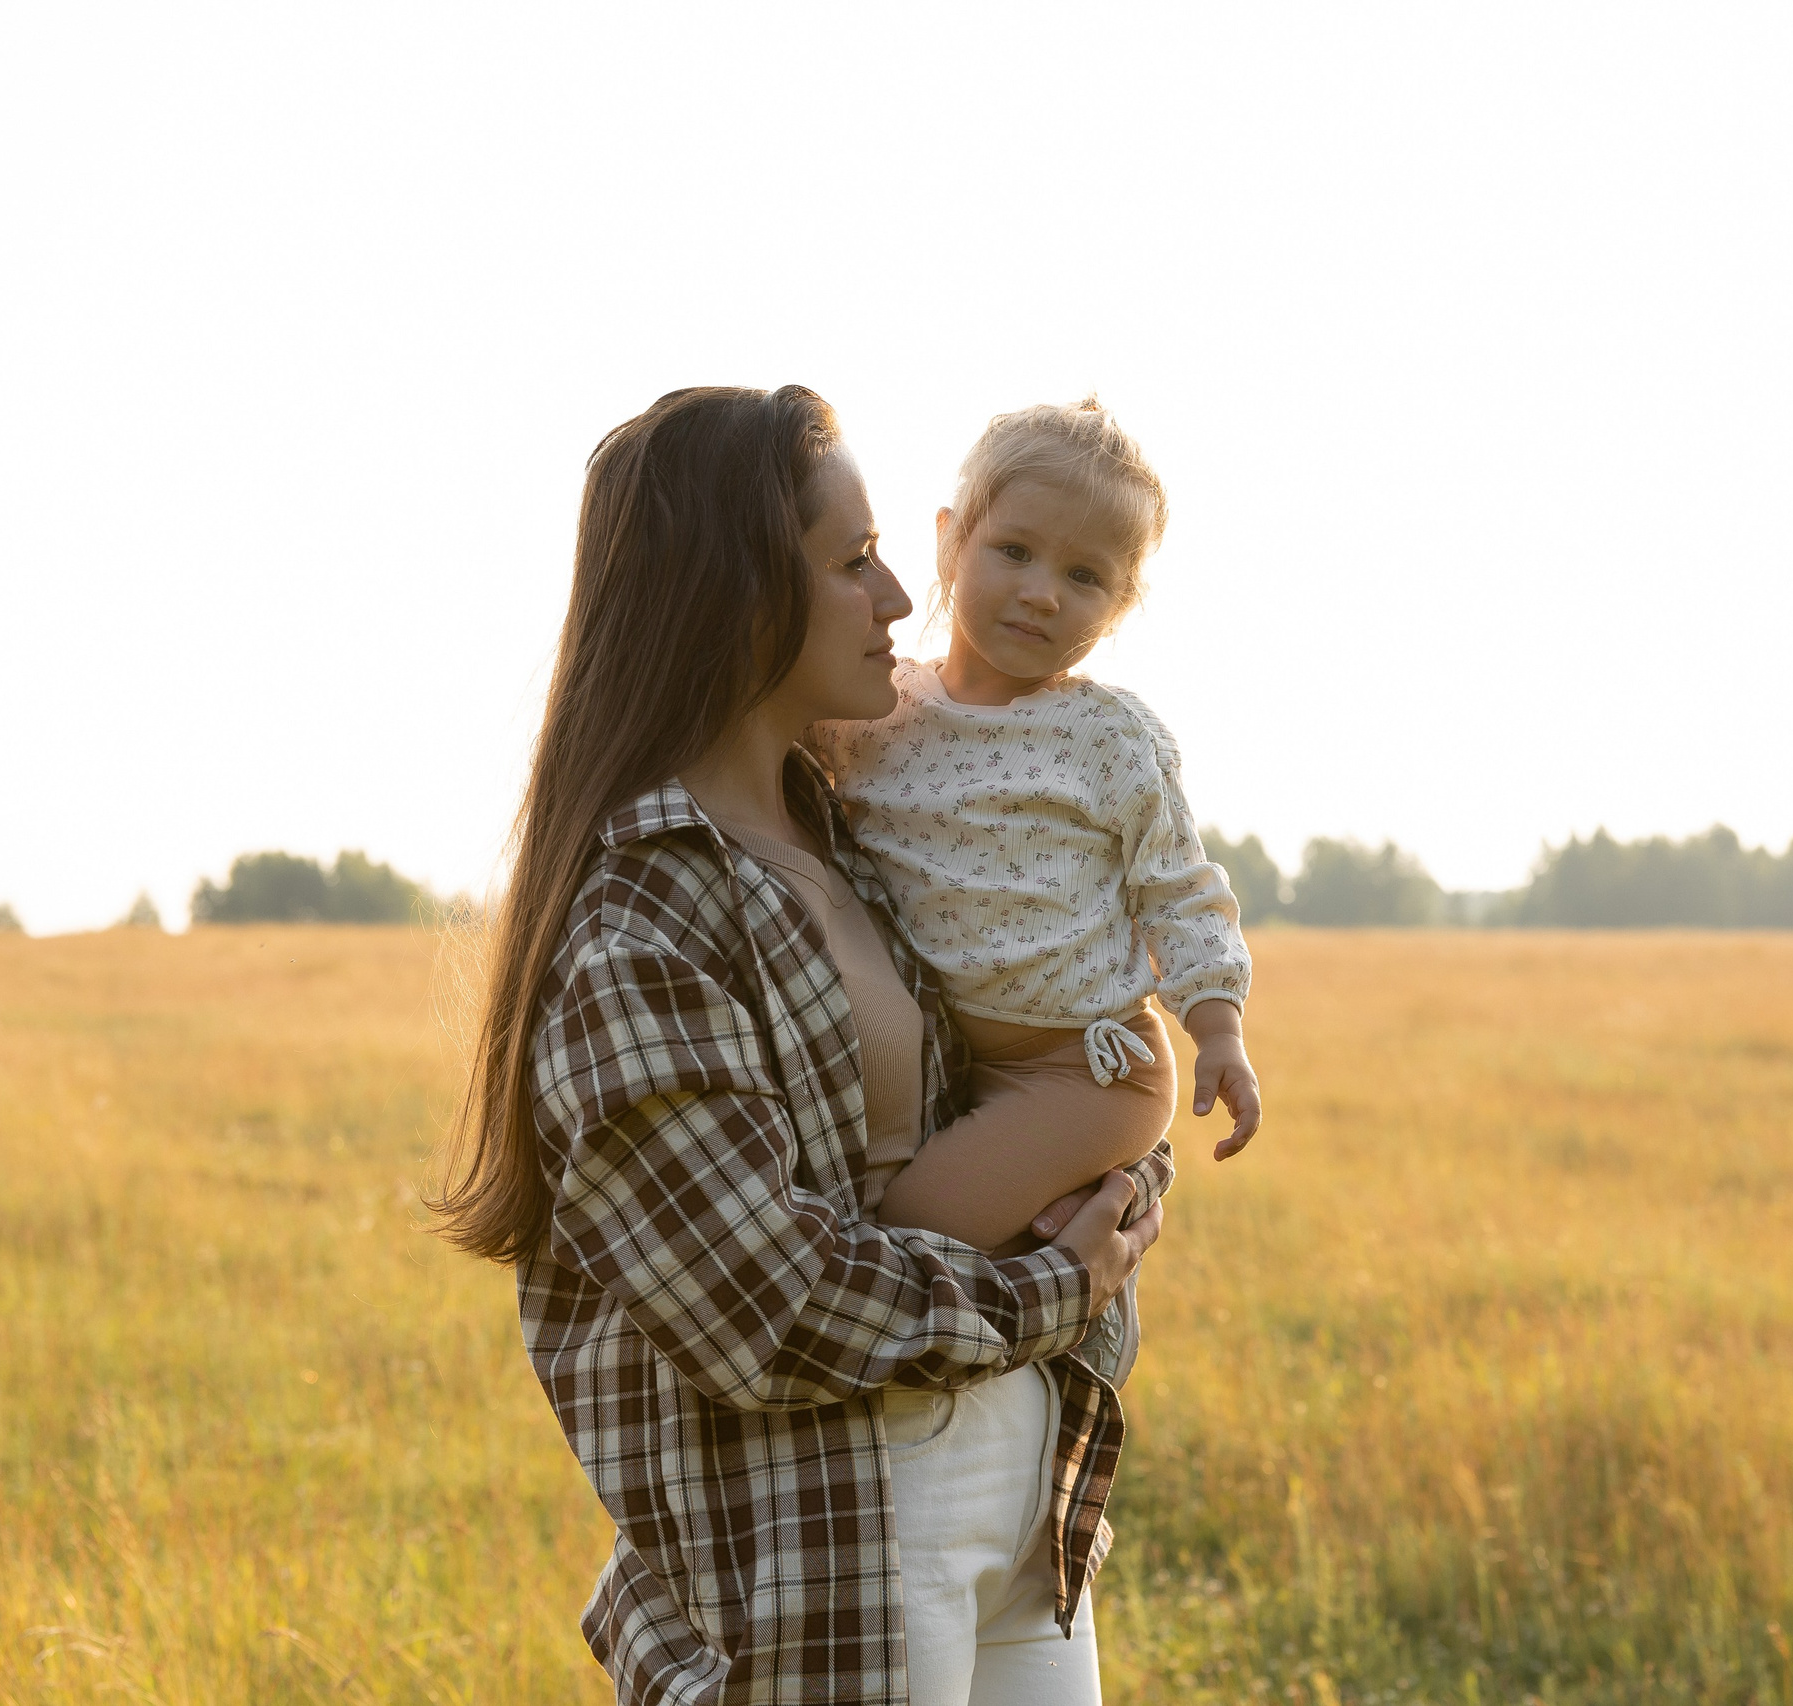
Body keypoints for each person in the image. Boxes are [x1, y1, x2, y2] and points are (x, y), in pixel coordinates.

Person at [432, 384, 1166, 1706]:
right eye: (851, 561)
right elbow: (763, 1308)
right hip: (847, 1530)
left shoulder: (848, 841)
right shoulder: (639, 922)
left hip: (1021, 1502)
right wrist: (1053, 1289)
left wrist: (1123, 1165)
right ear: (737, 594)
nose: (901, 596)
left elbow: (1025, 1081)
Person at [815, 398, 1263, 1389]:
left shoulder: (1105, 737)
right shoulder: (876, 715)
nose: (1040, 593)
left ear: (1120, 603)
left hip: (1082, 1070)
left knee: (903, 1229)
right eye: (1014, 550)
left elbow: (1179, 892)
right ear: (948, 541)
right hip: (955, 1059)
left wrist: (1217, 1027)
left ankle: (1040, 1381)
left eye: (1084, 575)